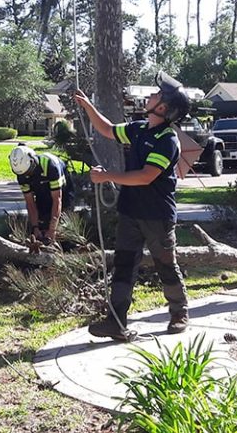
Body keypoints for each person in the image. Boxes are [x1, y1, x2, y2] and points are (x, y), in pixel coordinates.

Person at [74, 71, 190, 340]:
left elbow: (146, 176)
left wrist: (107, 176)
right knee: (124, 265)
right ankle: (116, 321)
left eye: (157, 94)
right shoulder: (138, 129)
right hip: (130, 212)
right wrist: (87, 106)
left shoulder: (167, 140)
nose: (151, 95)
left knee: (165, 264)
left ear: (163, 108)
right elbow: (107, 130)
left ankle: (179, 313)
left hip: (157, 215)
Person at [9, 144, 74, 244]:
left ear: (33, 160)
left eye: (29, 171)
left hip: (63, 192)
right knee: (41, 225)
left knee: (62, 228)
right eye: (25, 174)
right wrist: (35, 227)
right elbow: (30, 203)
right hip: (41, 191)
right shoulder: (22, 175)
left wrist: (52, 230)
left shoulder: (51, 166)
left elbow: (57, 201)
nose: (28, 176)